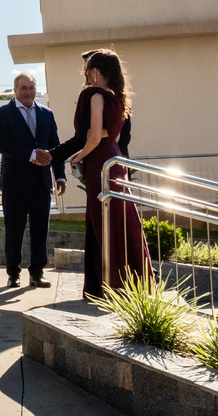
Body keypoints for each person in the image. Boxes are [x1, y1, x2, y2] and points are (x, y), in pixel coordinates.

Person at [64, 49, 152, 298]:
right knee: (121, 217)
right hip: (114, 157)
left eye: (87, 70)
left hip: (100, 160)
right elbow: (109, 134)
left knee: (100, 217)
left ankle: (108, 285)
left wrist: (79, 156)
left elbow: (92, 136)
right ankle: (132, 280)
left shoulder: (95, 95)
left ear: (94, 72)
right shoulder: (117, 97)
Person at [0, 73, 64, 289]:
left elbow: (55, 146)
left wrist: (59, 175)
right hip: (14, 182)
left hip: (41, 183)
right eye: (23, 88)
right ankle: (13, 273)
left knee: (40, 229)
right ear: (15, 90)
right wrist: (31, 154)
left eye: (31, 88)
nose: (28, 92)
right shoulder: (4, 113)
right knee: (14, 229)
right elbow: (2, 145)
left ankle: (37, 273)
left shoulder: (46, 113)